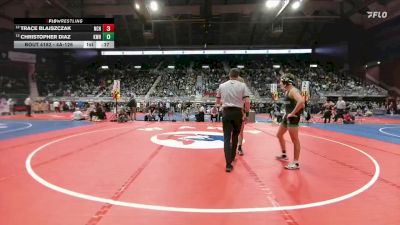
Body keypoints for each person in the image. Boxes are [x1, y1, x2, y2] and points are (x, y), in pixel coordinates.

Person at [216, 68, 251, 172]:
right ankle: (232, 157)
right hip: (237, 113)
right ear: (238, 76)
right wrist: (246, 114)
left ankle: (228, 164)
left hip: (226, 112)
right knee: (235, 135)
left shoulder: (222, 86)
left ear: (229, 75)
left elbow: (217, 101)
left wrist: (222, 106)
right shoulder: (242, 85)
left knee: (226, 138)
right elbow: (247, 102)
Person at [275, 73, 305, 170]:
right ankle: (284, 154)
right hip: (287, 116)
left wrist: (292, 113)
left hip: (292, 118)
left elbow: (301, 102)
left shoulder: (293, 91)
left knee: (295, 140)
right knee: (279, 134)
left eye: (281, 82)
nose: (280, 84)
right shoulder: (288, 91)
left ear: (285, 82)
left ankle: (296, 163)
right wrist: (286, 112)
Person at [237, 76, 249, 156]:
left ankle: (237, 147)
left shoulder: (231, 90)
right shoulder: (244, 91)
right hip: (240, 113)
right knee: (240, 132)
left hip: (234, 113)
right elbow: (247, 103)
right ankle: (239, 147)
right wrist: (246, 115)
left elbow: (247, 103)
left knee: (234, 132)